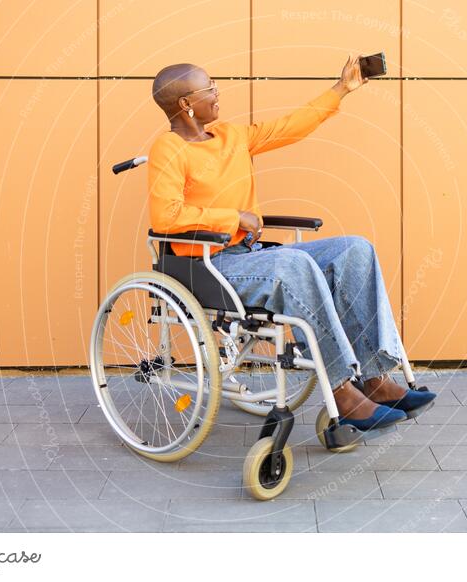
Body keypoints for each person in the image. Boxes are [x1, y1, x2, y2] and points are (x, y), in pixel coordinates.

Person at [147, 55, 436, 431]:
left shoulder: (232, 137)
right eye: (210, 88)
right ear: (186, 104)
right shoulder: (167, 150)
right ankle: (342, 391)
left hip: (249, 256)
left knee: (354, 249)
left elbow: (290, 127)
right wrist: (234, 218)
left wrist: (341, 89)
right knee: (293, 265)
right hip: (211, 264)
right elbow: (165, 217)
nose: (218, 93)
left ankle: (374, 378)